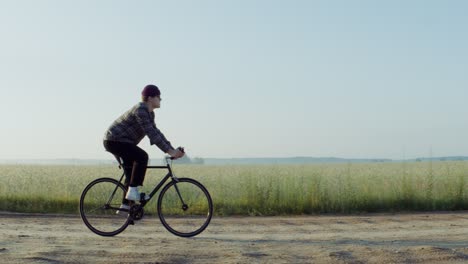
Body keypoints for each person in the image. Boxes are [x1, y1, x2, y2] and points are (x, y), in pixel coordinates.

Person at [103, 84, 185, 209]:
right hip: (114, 140)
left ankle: (125, 206)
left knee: (131, 174)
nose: (161, 99)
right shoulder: (141, 109)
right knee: (142, 156)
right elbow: (151, 133)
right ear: (150, 98)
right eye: (159, 97)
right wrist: (170, 151)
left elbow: (156, 132)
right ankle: (132, 195)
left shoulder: (150, 113)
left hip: (123, 142)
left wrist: (172, 149)